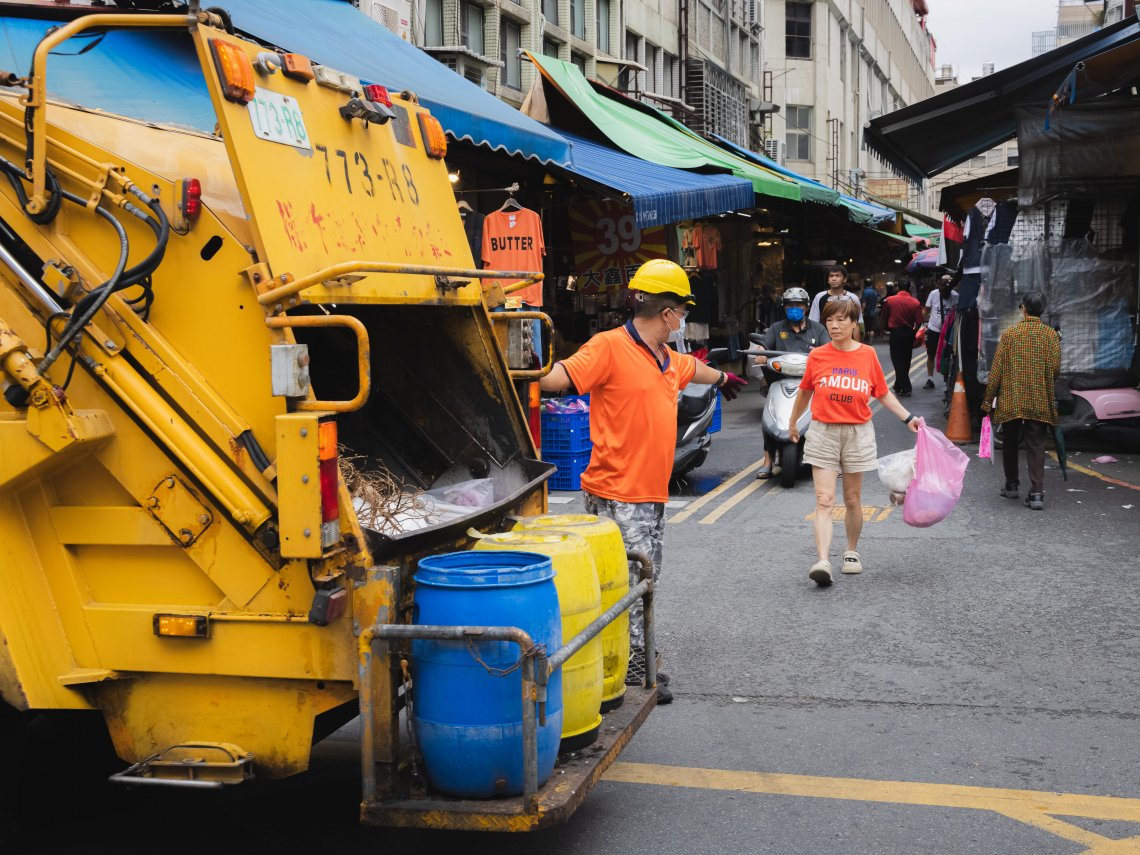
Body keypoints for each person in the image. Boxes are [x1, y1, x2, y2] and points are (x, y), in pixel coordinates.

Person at [539, 259, 746, 701]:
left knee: (646, 581)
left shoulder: (668, 359)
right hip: (617, 492)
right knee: (629, 585)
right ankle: (634, 667)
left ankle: (639, 657)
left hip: (650, 494)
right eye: (683, 311)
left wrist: (725, 377)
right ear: (667, 313)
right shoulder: (608, 347)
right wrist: (529, 365)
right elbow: (562, 377)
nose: (683, 319)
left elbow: (697, 369)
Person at [787, 300, 921, 585]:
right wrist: (792, 422)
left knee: (852, 499)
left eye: (841, 320)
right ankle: (823, 560)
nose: (834, 326)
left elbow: (882, 393)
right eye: (830, 321)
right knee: (824, 500)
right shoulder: (818, 356)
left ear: (853, 323)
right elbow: (804, 392)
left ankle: (851, 552)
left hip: (858, 433)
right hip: (823, 431)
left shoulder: (868, 355)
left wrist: (907, 417)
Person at [981, 290, 1060, 511]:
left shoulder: (1010, 335)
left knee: (1010, 441)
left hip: (1011, 399)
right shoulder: (1051, 336)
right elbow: (1054, 371)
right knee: (1037, 444)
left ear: (1023, 309)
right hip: (1038, 399)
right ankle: (1036, 493)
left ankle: (1012, 485)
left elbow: (995, 373)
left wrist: (987, 403)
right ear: (1041, 310)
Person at [751, 286, 830, 480]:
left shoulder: (818, 329)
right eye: (790, 305)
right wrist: (761, 353)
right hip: (780, 380)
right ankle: (767, 461)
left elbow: (829, 349)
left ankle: (827, 460)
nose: (794, 309)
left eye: (799, 305)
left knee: (827, 417)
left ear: (806, 307)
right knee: (769, 416)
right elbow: (765, 345)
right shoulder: (777, 328)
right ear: (784, 308)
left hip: (811, 383)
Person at [880, 282, 923, 397]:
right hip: (909, 332)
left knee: (898, 360)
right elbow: (919, 322)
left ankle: (906, 388)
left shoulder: (889, 300)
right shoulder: (915, 302)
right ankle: (898, 385)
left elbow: (884, 317)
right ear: (909, 288)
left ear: (897, 287)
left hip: (896, 333)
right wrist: (913, 332)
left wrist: (882, 330)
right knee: (906, 359)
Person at [809, 265, 863, 341]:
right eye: (831, 276)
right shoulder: (819, 297)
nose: (834, 279)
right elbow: (813, 323)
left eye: (837, 276)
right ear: (828, 280)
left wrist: (857, 348)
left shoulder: (853, 298)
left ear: (845, 279)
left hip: (846, 343)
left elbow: (856, 324)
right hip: (825, 342)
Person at [922, 275, 958, 390]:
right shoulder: (933, 294)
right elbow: (926, 309)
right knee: (931, 354)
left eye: (945, 291)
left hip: (949, 331)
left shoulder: (956, 296)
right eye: (941, 291)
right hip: (934, 329)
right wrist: (917, 322)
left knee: (950, 355)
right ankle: (930, 379)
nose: (942, 293)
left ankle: (949, 378)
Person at [861, 278, 879, 346]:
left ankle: (862, 342)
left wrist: (862, 311)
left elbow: (864, 303)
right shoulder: (874, 292)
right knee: (871, 328)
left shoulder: (865, 292)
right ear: (872, 284)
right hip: (872, 312)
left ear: (864, 284)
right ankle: (870, 341)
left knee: (864, 328)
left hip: (866, 312)